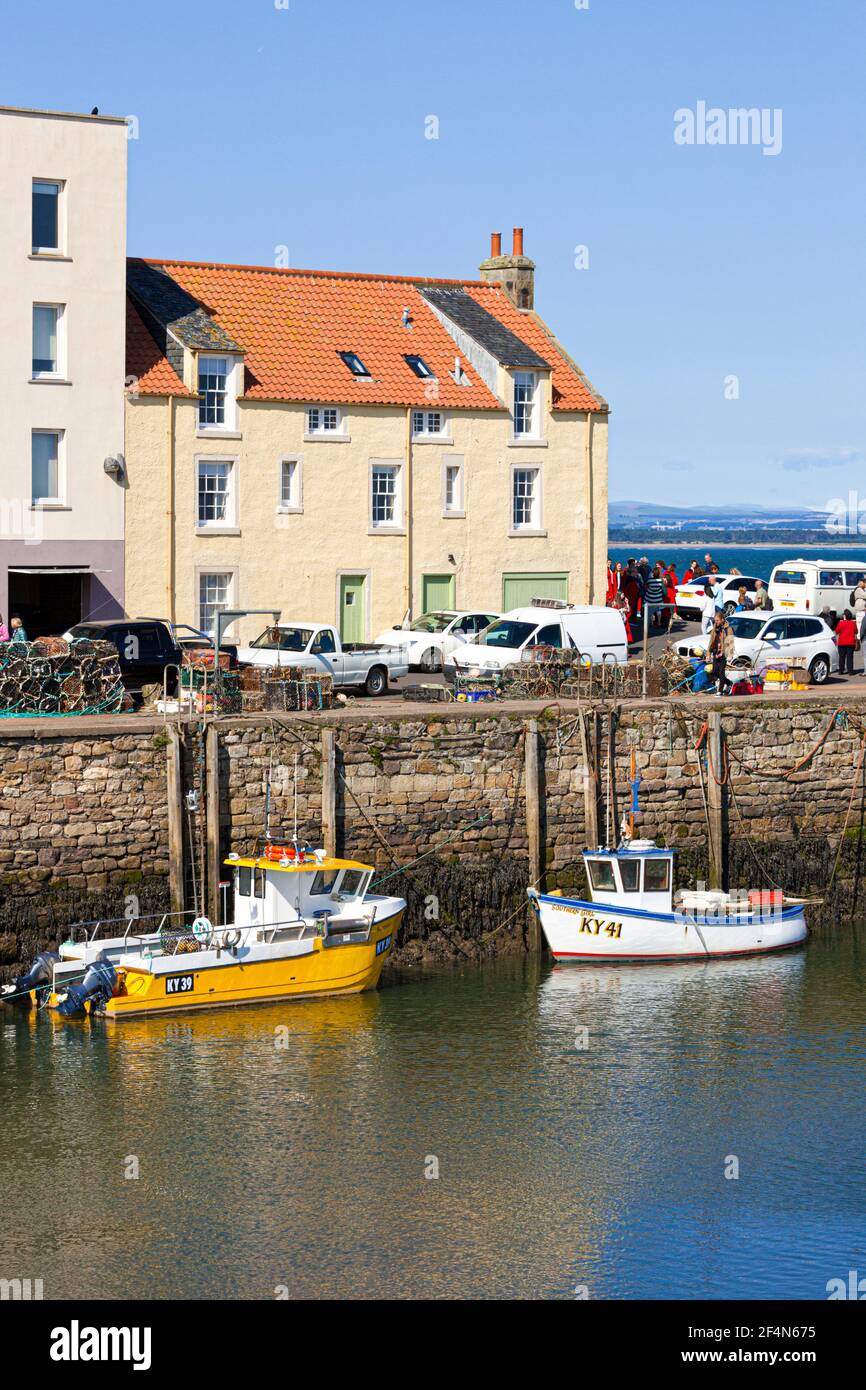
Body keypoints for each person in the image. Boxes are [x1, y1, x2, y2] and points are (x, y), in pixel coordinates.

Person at [707, 612, 735, 694]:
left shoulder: (728, 629)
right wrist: (708, 654)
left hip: (724, 652)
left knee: (721, 672)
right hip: (715, 652)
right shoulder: (714, 628)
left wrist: (730, 654)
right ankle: (729, 683)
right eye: (715, 620)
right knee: (714, 672)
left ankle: (720, 691)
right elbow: (711, 641)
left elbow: (731, 642)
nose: (716, 622)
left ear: (722, 619)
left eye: (718, 620)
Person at [835, 609, 858, 676]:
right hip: (851, 643)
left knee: (841, 657)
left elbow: (836, 631)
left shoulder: (841, 623)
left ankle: (841, 670)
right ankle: (850, 671)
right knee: (850, 657)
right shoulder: (853, 623)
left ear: (844, 616)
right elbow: (856, 631)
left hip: (842, 643)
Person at [644, 565, 667, 629]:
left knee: (650, 610)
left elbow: (646, 586)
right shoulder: (660, 580)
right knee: (658, 610)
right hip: (658, 598)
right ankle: (659, 622)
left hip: (650, 597)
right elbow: (663, 588)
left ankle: (651, 622)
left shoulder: (650, 580)